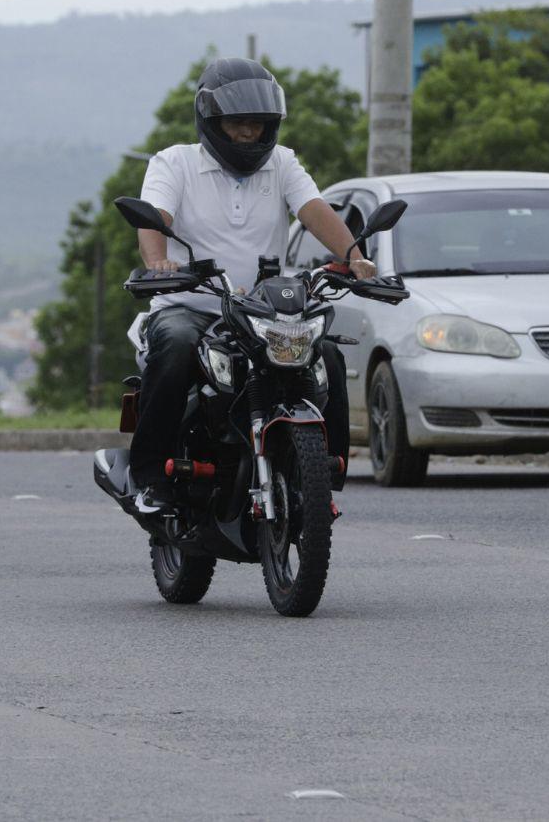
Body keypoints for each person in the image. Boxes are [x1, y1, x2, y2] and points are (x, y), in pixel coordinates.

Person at [130, 57, 375, 512]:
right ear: (211, 119)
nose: (248, 134)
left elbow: (314, 210)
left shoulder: (281, 163)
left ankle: (327, 469)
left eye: (258, 125)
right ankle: (149, 478)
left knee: (326, 353)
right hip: (192, 303)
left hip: (264, 312)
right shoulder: (174, 162)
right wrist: (159, 262)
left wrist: (354, 257)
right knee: (175, 346)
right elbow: (155, 218)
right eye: (238, 123)